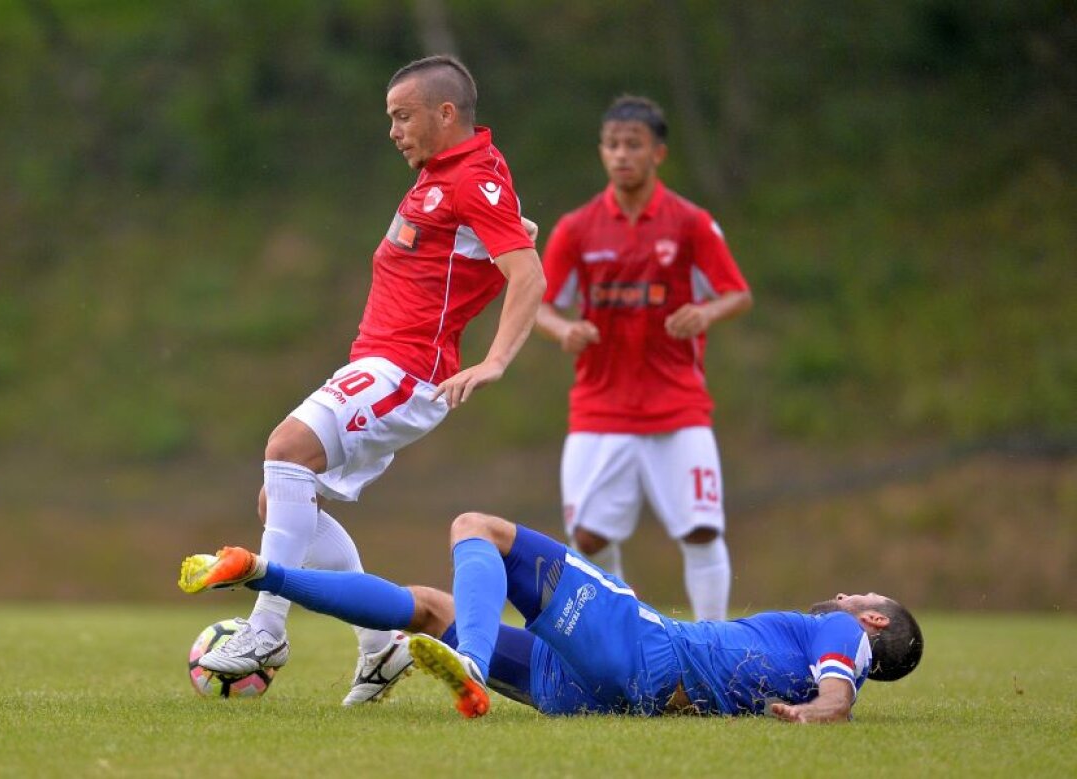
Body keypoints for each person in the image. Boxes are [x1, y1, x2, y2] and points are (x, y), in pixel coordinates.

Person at [197, 54, 546, 707]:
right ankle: (379, 643)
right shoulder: (442, 180)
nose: (393, 129)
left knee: (284, 450)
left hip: (407, 369)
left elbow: (527, 272)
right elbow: (494, 249)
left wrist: (496, 359)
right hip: (375, 362)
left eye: (403, 115)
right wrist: (507, 230)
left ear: (446, 113)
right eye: (390, 117)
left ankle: (266, 631)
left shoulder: (474, 177)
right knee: (283, 501)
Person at [178, 512, 924, 723]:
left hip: (643, 648)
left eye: (865, 598)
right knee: (430, 604)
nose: (850, 595)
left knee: (478, 528)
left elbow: (838, 692)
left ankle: (465, 659)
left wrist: (818, 712)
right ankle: (264, 573)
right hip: (593, 694)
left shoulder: (841, 637)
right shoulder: (819, 643)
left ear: (874, 626)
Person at [534, 95, 753, 620]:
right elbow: (538, 305)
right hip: (600, 406)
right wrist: (564, 329)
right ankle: (630, 633)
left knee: (702, 528)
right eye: (611, 145)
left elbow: (738, 293)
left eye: (633, 145)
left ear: (658, 153)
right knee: (586, 537)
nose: (621, 155)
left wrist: (704, 314)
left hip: (677, 404)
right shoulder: (577, 228)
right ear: (601, 152)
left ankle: (713, 645)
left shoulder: (690, 223)